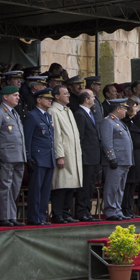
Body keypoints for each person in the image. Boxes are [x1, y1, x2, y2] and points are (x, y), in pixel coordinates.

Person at [0, 86, 27, 227]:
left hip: (18, 156)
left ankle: (11, 216)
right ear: (5, 97)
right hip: (5, 156)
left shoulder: (15, 113)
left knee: (15, 188)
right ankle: (3, 217)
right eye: (15, 95)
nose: (18, 97)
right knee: (4, 187)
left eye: (18, 95)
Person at [49, 85, 84, 223]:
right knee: (61, 185)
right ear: (57, 96)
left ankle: (66, 213)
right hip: (64, 154)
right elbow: (56, 136)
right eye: (65, 93)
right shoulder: (53, 111)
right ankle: (57, 214)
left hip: (73, 153)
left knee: (71, 185)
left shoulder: (68, 110)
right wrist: (59, 155)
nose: (68, 95)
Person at [23, 88, 57, 225]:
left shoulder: (48, 116)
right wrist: (28, 156)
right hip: (37, 158)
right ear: (38, 100)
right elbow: (28, 138)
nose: (50, 100)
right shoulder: (32, 116)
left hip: (48, 157)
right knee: (36, 190)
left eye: (51, 98)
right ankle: (34, 217)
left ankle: (42, 216)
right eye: (47, 98)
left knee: (45, 190)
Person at [99, 99, 133, 221]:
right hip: (116, 161)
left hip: (124, 161)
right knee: (112, 187)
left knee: (120, 188)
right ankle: (110, 210)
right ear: (117, 109)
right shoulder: (108, 122)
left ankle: (117, 209)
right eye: (124, 108)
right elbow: (107, 142)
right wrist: (111, 157)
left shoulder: (118, 122)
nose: (125, 111)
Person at [73, 90, 101, 221]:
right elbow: (81, 137)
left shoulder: (89, 113)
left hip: (93, 156)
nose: (94, 98)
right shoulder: (80, 114)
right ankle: (82, 211)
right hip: (86, 157)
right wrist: (82, 156)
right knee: (84, 186)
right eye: (92, 97)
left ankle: (87, 210)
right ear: (86, 100)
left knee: (90, 185)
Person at [123, 97, 140, 218]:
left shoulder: (134, 121)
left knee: (133, 183)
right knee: (127, 183)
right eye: (134, 106)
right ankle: (125, 208)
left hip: (136, 154)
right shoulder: (124, 122)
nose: (136, 108)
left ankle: (129, 208)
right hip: (129, 155)